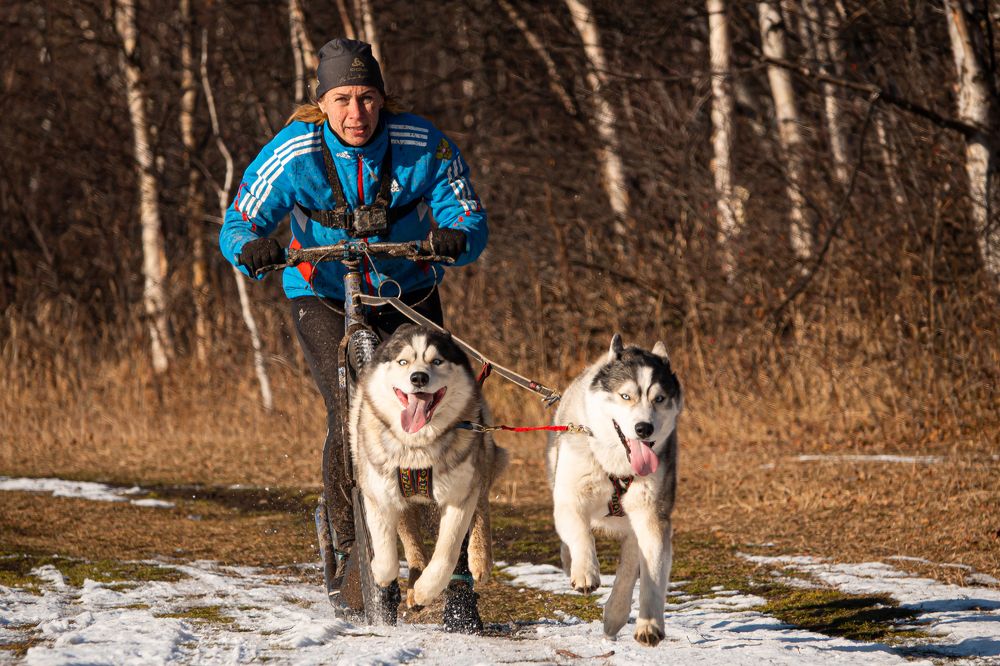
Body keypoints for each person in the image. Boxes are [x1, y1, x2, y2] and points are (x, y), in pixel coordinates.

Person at [218, 38, 488, 631]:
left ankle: (458, 580)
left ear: (383, 99)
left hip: (405, 289)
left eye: (366, 98)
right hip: (320, 291)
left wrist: (456, 236)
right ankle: (347, 544)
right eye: (341, 99)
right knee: (350, 413)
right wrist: (252, 248)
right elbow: (238, 221)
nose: (355, 112)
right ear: (321, 103)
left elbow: (465, 210)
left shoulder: (421, 143)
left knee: (447, 416)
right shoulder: (293, 151)